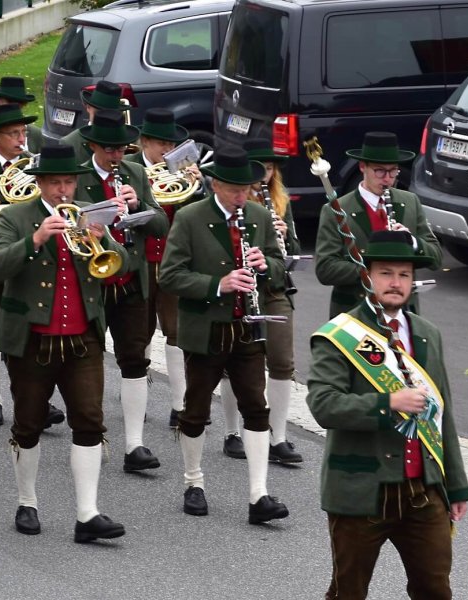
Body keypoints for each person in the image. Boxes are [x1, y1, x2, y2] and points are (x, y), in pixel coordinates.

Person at [307, 230, 468, 599]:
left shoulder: (427, 333)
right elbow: (323, 405)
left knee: (435, 590)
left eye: (404, 275)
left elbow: (443, 413)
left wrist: (456, 486)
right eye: (386, 273)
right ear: (367, 277)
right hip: (362, 487)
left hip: (424, 490)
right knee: (349, 591)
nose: (395, 283)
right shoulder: (338, 335)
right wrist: (388, 404)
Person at [0, 143, 127, 543]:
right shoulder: (16, 217)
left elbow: (122, 267)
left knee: (89, 421)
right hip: (33, 338)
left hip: (83, 338)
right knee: (28, 424)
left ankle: (88, 514)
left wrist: (106, 240)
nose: (63, 190)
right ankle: (27, 501)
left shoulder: (88, 212)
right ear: (41, 184)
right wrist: (34, 240)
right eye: (55, 183)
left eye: (68, 182)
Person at [158, 146, 289, 524]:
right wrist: (219, 283)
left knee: (256, 407)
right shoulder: (190, 217)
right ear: (215, 185)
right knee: (196, 409)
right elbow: (169, 275)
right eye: (234, 190)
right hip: (207, 328)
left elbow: (280, 269)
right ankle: (193, 482)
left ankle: (259, 494)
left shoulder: (259, 216)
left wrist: (267, 266)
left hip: (248, 327)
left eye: (246, 189)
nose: (241, 197)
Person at [0, 104, 65, 429]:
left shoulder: (34, 165)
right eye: (14, 134)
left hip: (30, 259)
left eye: (23, 132)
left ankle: (37, 400)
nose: (22, 139)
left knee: (29, 332)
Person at [74, 111, 168, 472]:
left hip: (131, 280)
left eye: (121, 149)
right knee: (90, 361)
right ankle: (92, 435)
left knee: (134, 359)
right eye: (110, 149)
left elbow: (160, 224)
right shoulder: (78, 178)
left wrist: (137, 205)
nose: (116, 156)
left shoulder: (136, 174)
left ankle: (135, 445)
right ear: (94, 146)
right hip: (93, 285)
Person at [219, 138, 304, 464]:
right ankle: (232, 432)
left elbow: (293, 254)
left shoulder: (281, 202)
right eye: (258, 171)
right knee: (234, 362)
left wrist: (282, 236)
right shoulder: (231, 202)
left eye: (269, 170)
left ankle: (278, 436)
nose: (263, 178)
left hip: (274, 289)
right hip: (239, 289)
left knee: (282, 362)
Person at [128, 108, 203, 427]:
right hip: (140, 260)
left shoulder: (181, 169)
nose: (167, 151)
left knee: (176, 330)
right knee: (139, 330)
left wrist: (198, 187)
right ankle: (137, 393)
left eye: (171, 145)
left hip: (173, 261)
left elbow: (197, 213)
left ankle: (179, 403)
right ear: (144, 142)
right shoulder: (130, 170)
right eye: (161, 144)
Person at [315, 132, 442, 318]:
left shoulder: (410, 202)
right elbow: (325, 269)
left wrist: (412, 242)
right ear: (362, 167)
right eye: (380, 171)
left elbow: (437, 257)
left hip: (402, 312)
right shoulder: (336, 209)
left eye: (393, 171)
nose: (387, 179)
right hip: (354, 310)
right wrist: (373, 271)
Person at [61, 80, 133, 164]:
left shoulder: (131, 141)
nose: (104, 119)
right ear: (88, 107)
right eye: (99, 113)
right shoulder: (71, 143)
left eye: (110, 114)